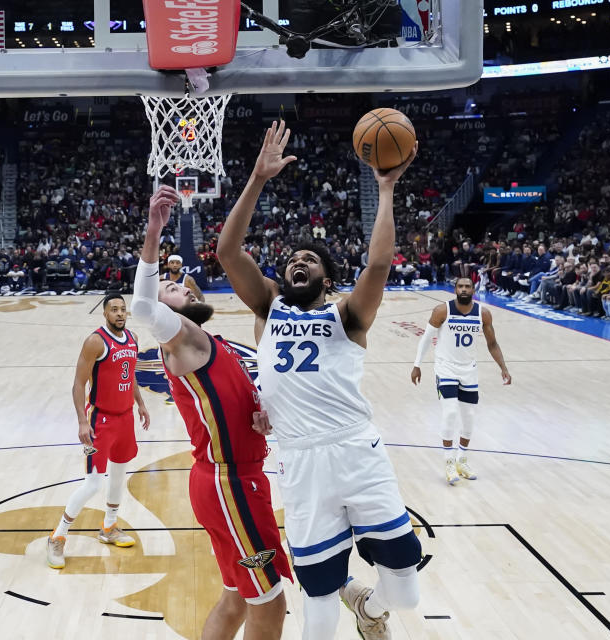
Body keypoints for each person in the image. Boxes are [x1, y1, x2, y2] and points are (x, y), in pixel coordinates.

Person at [217, 121, 421, 640]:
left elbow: (378, 264)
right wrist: (258, 180)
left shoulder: (347, 316)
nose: (297, 262)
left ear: (327, 280)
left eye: (309, 259)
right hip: (302, 460)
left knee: (406, 591)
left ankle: (372, 610)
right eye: (290, 260)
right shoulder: (267, 307)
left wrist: (386, 189)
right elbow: (227, 252)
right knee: (319, 603)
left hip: (357, 451)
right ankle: (348, 605)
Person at [131, 185, 291, 640]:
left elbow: (240, 402)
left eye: (177, 282)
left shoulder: (210, 343)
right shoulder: (181, 336)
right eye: (170, 288)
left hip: (230, 479)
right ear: (168, 311)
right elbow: (143, 305)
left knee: (238, 598)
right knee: (270, 601)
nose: (178, 284)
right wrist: (153, 231)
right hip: (228, 483)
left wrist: (262, 414)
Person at [47, 293, 150, 569]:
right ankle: (58, 536)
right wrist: (82, 421)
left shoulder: (133, 338)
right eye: (114, 309)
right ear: (104, 313)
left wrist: (140, 403)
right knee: (93, 483)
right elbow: (78, 384)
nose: (119, 313)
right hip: (99, 421)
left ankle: (109, 527)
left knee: (118, 476)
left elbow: (130, 375)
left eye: (122, 309)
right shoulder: (95, 342)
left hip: (125, 418)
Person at [411, 277, 511, 484]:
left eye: (467, 286)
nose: (464, 289)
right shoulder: (442, 311)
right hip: (445, 367)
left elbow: (492, 344)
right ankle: (449, 463)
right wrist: (417, 364)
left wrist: (503, 367)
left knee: (469, 418)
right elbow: (427, 338)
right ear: (455, 289)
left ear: (473, 289)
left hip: (469, 370)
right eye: (460, 286)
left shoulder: (483, 313)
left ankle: (461, 460)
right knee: (449, 413)